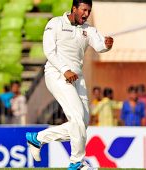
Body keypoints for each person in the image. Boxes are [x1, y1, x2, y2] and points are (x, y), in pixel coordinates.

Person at [25, 0, 114, 169]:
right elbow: (49, 50)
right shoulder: (56, 23)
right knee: (77, 120)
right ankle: (76, 163)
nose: (86, 14)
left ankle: (38, 139)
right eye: (84, 10)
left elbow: (99, 45)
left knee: (82, 124)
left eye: (89, 11)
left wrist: (107, 45)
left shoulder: (88, 29)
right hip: (57, 74)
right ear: (74, 9)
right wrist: (65, 70)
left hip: (77, 77)